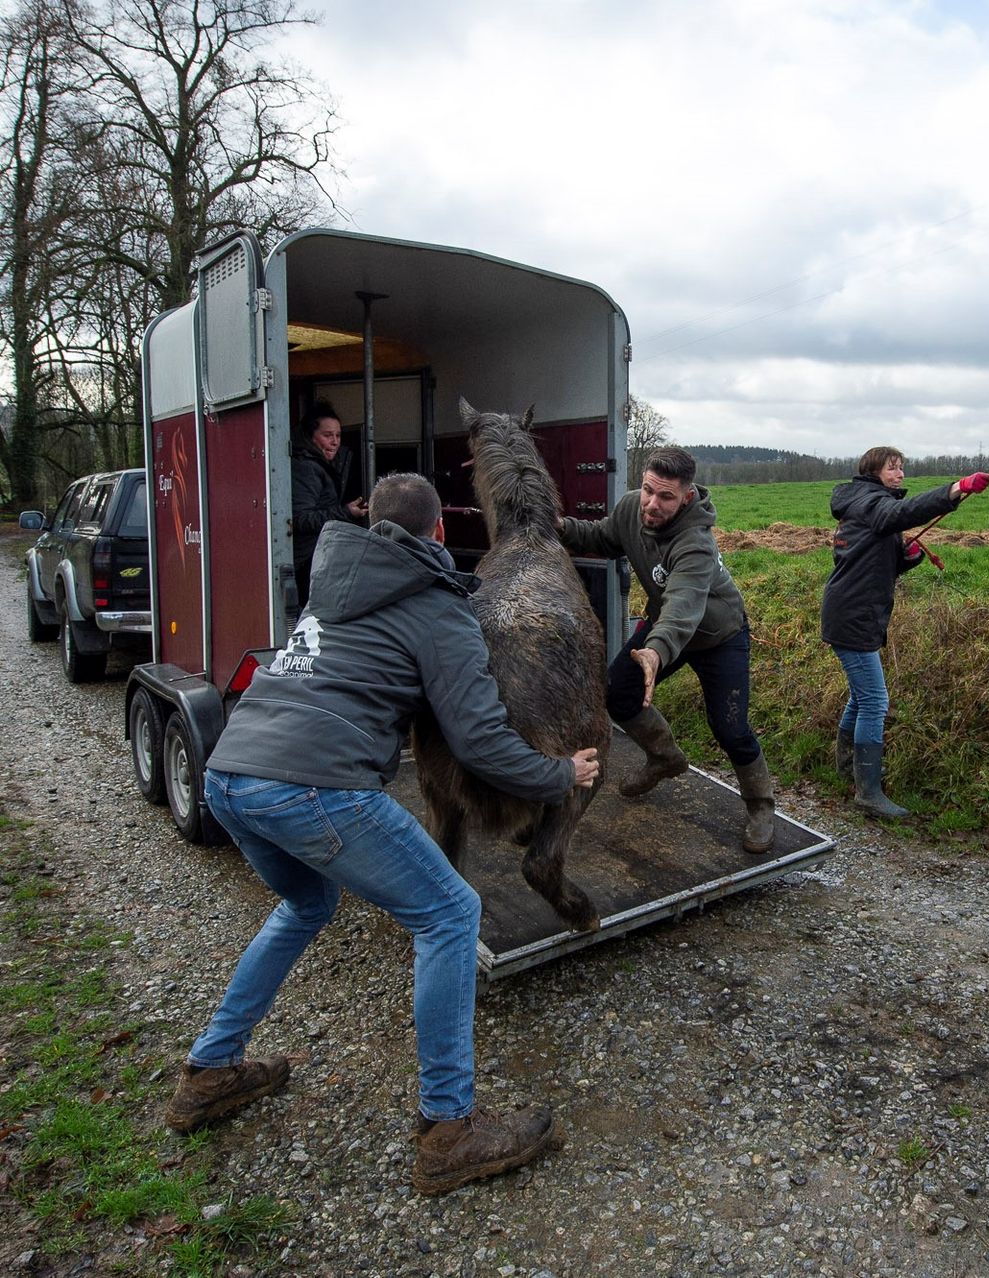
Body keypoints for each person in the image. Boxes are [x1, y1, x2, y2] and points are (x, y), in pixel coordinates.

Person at [162, 473, 600, 1197]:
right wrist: (560, 774)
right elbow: (482, 742)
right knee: (451, 912)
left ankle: (210, 1069)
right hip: (314, 787)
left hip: (230, 774)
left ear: (371, 525)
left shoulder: (331, 589)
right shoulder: (437, 607)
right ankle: (449, 1129)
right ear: (437, 533)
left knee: (306, 906)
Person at [556, 446, 776, 852]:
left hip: (717, 636)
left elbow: (683, 607)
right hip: (666, 625)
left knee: (730, 729)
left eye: (666, 497)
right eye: (648, 491)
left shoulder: (696, 543)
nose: (652, 505)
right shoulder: (631, 509)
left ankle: (761, 806)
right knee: (617, 693)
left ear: (687, 496)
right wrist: (559, 526)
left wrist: (654, 652)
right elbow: (601, 537)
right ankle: (664, 757)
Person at [821, 449, 989, 817]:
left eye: (901, 468)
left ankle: (846, 768)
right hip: (854, 615)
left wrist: (908, 555)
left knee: (861, 695)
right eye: (892, 468)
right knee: (874, 700)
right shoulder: (871, 503)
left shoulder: (862, 504)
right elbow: (900, 513)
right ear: (874, 472)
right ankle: (868, 792)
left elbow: (875, 562)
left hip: (852, 612)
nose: (899, 474)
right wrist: (955, 489)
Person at [291, 400, 369, 605]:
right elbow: (299, 519)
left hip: (315, 555)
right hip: (306, 558)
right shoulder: (307, 468)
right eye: (327, 435)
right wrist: (346, 512)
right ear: (310, 436)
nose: (335, 442)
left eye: (338, 435)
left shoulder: (323, 463)